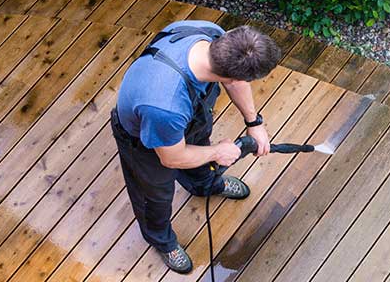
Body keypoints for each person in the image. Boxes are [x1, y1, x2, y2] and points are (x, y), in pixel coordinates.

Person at [110, 19, 281, 273]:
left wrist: (253, 122)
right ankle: (161, 240)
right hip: (146, 142)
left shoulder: (214, 36)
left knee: (201, 151)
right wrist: (218, 152)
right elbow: (172, 158)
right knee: (154, 196)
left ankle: (205, 185)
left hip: (188, 119)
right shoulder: (165, 105)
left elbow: (234, 82)